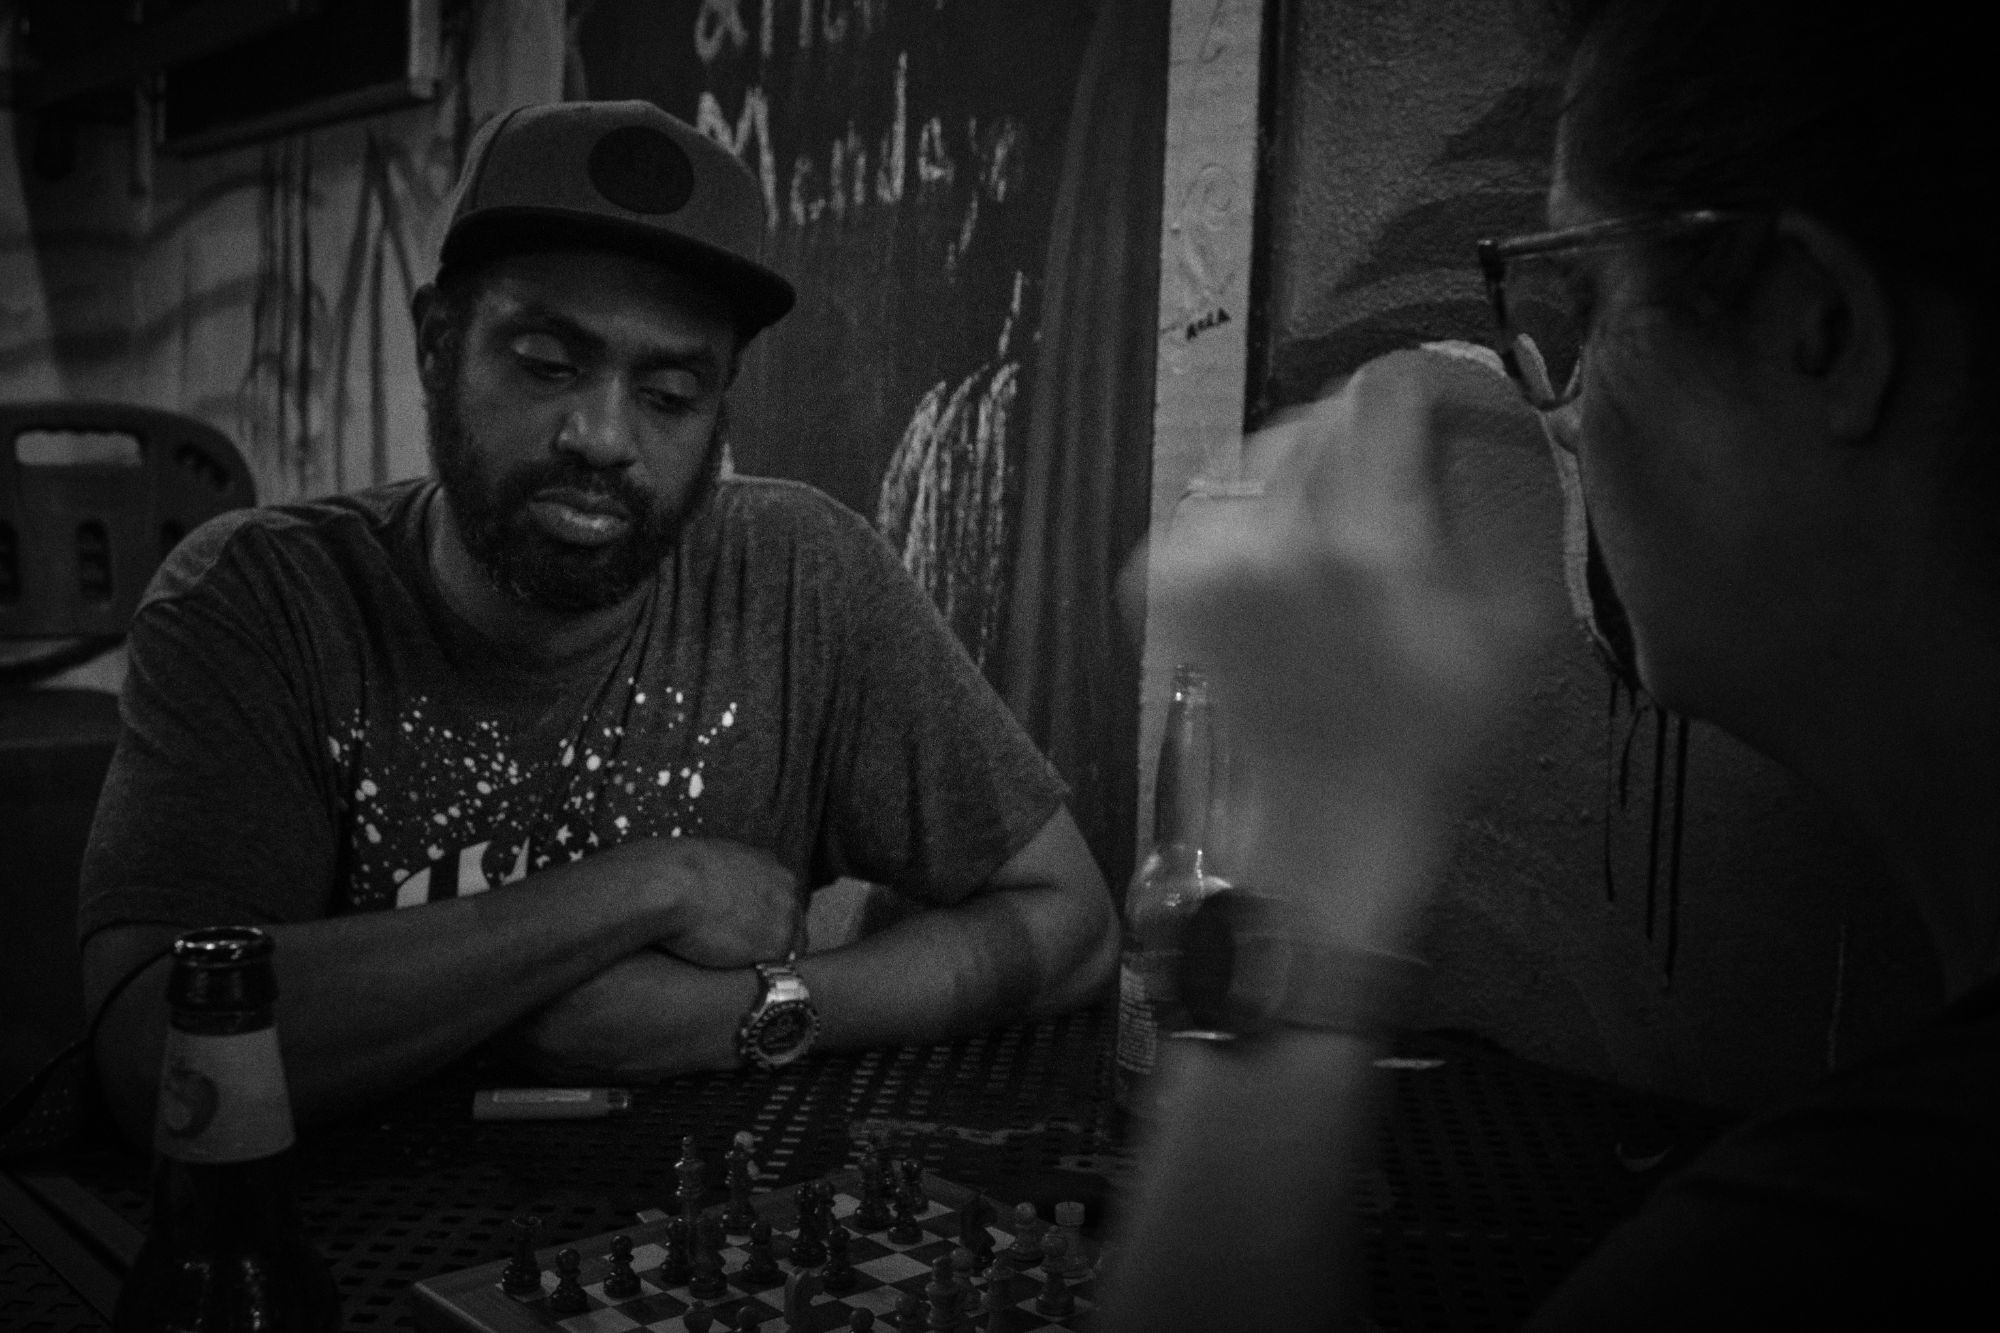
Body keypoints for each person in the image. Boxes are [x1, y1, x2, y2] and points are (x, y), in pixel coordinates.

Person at [1099, 1, 1996, 1328]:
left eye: (1580, 301)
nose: (1555, 414)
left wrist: (1313, 836)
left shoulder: (1858, 1241)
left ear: (1818, 329)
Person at [78, 101, 1115, 1146]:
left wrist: (740, 1017)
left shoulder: (804, 578)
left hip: (683, 1263)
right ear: (439, 344)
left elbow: (1070, 925)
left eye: (667, 392)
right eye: (546, 365)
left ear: (720, 409)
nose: (602, 436)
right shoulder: (258, 598)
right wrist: (644, 889)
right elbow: (154, 1055)